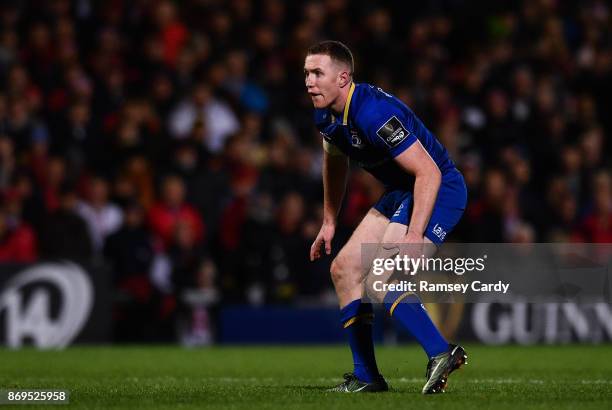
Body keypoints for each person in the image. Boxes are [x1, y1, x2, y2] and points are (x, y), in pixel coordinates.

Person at [305, 41, 468, 394]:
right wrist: (329, 220)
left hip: (437, 189)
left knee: (381, 276)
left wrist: (414, 234)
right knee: (344, 269)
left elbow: (430, 173)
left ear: (343, 77)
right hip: (403, 191)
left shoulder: (373, 113)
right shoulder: (325, 115)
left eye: (318, 73)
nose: (309, 81)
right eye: (306, 73)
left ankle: (442, 352)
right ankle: (367, 378)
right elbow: (334, 162)